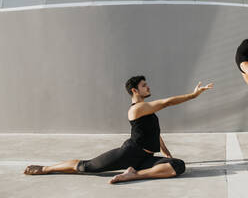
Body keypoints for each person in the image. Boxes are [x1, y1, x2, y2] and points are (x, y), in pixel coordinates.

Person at [24, 75, 213, 184]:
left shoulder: (146, 109)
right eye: (144, 85)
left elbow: (154, 133)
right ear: (134, 91)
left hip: (144, 158)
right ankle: (45, 168)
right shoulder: (137, 108)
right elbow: (167, 102)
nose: (148, 87)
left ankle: (133, 174)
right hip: (129, 153)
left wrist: (167, 153)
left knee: (177, 166)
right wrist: (193, 95)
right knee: (86, 167)